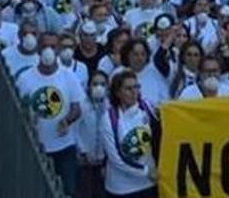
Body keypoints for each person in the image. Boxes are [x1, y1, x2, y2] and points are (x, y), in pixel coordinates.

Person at [16, 34, 86, 196]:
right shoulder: (25, 78)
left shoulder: (68, 76)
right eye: (45, 46)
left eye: (53, 47)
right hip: (37, 147)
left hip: (65, 146)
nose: (49, 51)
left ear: (59, 50)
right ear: (38, 49)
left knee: (68, 190)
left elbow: (77, 107)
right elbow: (19, 109)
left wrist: (67, 121)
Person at [102, 70, 159, 198]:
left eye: (136, 87)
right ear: (117, 93)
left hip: (148, 183)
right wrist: (145, 171)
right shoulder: (109, 118)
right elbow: (116, 158)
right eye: (128, 88)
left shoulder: (147, 107)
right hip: (122, 188)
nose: (134, 92)